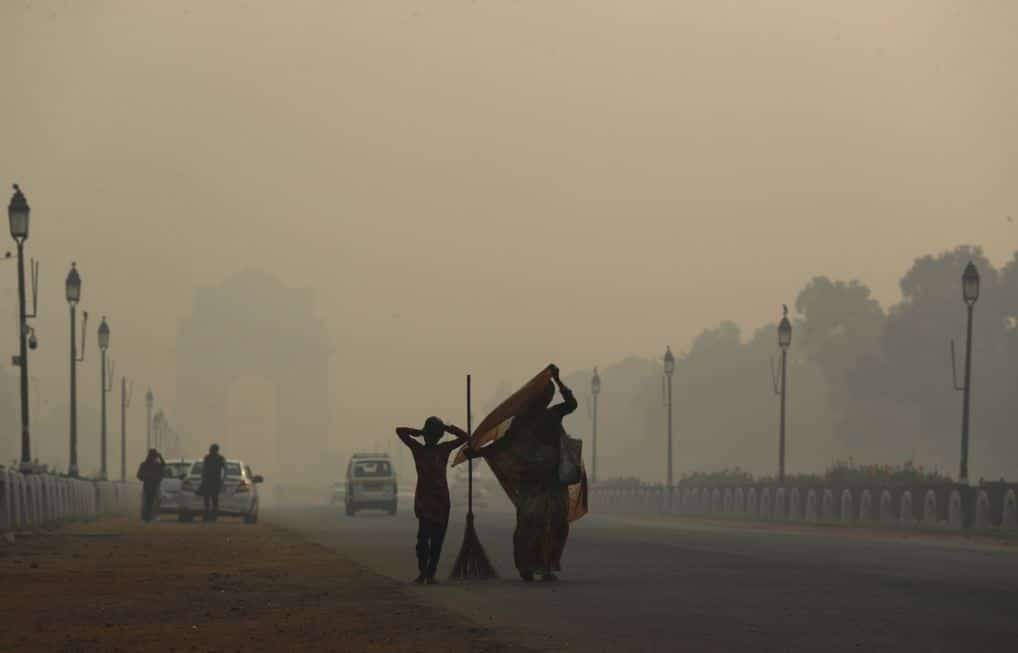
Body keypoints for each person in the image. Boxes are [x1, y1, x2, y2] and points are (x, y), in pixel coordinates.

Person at [466, 364, 577, 582]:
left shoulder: (553, 414)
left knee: (556, 521)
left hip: (554, 478)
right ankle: (526, 566)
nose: (546, 398)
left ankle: (546, 566)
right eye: (544, 394)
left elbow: (571, 404)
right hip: (531, 480)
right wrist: (477, 452)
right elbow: (502, 444)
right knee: (529, 522)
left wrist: (558, 380)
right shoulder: (521, 422)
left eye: (549, 394)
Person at [395, 417, 469, 584]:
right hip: (425, 500)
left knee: (437, 540)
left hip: (441, 501)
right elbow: (399, 431)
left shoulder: (443, 449)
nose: (431, 437)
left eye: (434, 434)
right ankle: (423, 572)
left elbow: (466, 438)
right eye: (429, 434)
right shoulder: (418, 449)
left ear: (439, 436)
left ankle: (430, 573)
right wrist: (419, 432)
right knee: (423, 539)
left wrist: (448, 427)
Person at [198, 444, 227, 522]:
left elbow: (204, 469)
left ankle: (208, 516)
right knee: (213, 499)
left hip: (210, 480)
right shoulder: (219, 458)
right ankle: (211, 516)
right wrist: (223, 479)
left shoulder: (208, 458)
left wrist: (203, 478)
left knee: (209, 499)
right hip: (214, 481)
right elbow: (225, 469)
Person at [136, 449, 166, 522]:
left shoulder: (156, 465)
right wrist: (147, 478)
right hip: (148, 486)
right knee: (147, 503)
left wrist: (161, 457)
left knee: (152, 502)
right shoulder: (146, 465)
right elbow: (139, 475)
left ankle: (149, 517)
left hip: (153, 486)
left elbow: (163, 466)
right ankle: (146, 518)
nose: (153, 458)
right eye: (153, 456)